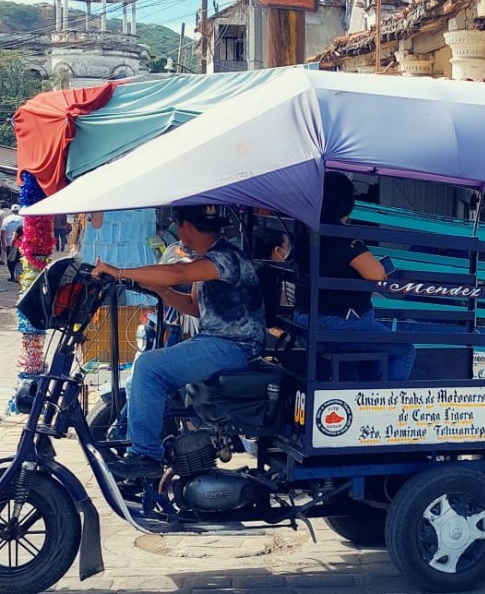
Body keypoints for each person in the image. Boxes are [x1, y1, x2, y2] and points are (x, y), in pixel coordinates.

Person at [92, 204, 266, 479]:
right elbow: (194, 307)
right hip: (218, 341)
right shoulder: (209, 259)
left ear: (185, 225)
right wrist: (160, 290)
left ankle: (145, 455)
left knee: (149, 367)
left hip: (236, 346)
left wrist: (121, 272)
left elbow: (178, 273)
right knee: (154, 368)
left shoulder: (224, 257)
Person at [293, 171, 416, 381]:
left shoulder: (305, 229)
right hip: (336, 323)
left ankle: (365, 399)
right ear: (347, 201)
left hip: (303, 319)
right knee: (404, 348)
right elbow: (376, 273)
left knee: (374, 353)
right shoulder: (339, 234)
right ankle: (386, 409)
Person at [1, 204, 23, 282]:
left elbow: (3, 232)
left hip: (9, 243)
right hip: (20, 243)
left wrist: (3, 243)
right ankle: (18, 276)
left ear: (11, 211)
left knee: (10, 260)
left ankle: (12, 276)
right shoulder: (22, 219)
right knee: (19, 260)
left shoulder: (6, 219)